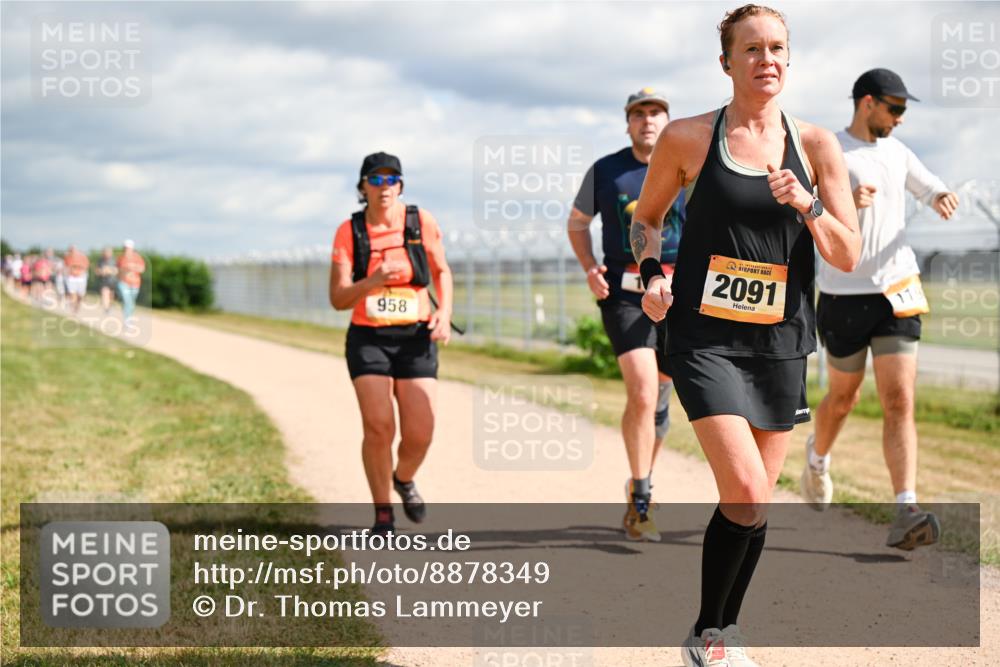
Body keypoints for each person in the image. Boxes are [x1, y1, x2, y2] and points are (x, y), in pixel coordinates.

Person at [632, 5, 860, 665]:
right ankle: (709, 633)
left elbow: (846, 253)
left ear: (790, 59)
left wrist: (807, 204)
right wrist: (652, 274)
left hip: (781, 341)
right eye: (753, 48)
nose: (767, 59)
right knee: (748, 489)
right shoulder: (688, 138)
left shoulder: (816, 146)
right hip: (703, 337)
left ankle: (720, 632)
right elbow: (645, 220)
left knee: (755, 505)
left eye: (778, 48)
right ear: (726, 60)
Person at [800, 68, 958, 550]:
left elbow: (928, 186)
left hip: (897, 290)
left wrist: (940, 196)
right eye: (895, 108)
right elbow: (803, 210)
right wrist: (844, 199)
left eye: (903, 110)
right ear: (867, 103)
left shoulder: (897, 152)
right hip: (844, 295)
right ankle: (818, 459)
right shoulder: (830, 151)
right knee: (843, 400)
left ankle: (905, 507)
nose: (900, 119)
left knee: (899, 400)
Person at [568, 87, 685, 542]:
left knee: (659, 399)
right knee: (640, 391)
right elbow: (578, 221)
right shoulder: (607, 171)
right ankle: (641, 498)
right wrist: (589, 267)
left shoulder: (685, 165)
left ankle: (644, 479)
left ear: (667, 120)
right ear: (628, 123)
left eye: (656, 113)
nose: (648, 120)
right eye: (640, 114)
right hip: (625, 293)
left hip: (678, 294)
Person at [329, 152, 454, 535]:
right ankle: (383, 513)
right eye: (376, 180)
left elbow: (441, 270)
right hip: (369, 339)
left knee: (421, 431)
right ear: (363, 187)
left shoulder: (420, 222)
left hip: (415, 336)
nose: (384, 187)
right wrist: (374, 279)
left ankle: (403, 478)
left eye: (391, 179)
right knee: (379, 426)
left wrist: (444, 313)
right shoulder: (349, 232)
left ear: (400, 185)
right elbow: (338, 298)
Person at [117, 240, 146, 323]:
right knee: (127, 301)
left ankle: (129, 316)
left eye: (128, 248)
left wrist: (132, 268)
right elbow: (118, 270)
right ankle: (127, 320)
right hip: (123, 283)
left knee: (131, 303)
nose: (126, 250)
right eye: (125, 248)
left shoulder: (138, 257)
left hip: (135, 283)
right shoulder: (121, 258)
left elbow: (142, 269)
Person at [63, 245, 90, 314]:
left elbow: (86, 266)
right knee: (72, 293)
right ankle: (73, 309)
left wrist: (81, 272)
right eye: (70, 250)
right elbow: (66, 266)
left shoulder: (83, 257)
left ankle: (77, 307)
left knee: (80, 295)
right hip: (71, 277)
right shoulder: (67, 257)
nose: (71, 251)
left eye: (73, 250)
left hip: (81, 278)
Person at [96, 247, 118, 313]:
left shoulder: (115, 260)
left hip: (113, 281)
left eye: (109, 252)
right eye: (105, 252)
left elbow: (118, 271)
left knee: (111, 296)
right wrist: (101, 272)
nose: (107, 254)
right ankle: (106, 308)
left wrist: (109, 271)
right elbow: (97, 270)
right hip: (104, 281)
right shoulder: (100, 260)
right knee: (104, 293)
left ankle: (109, 307)